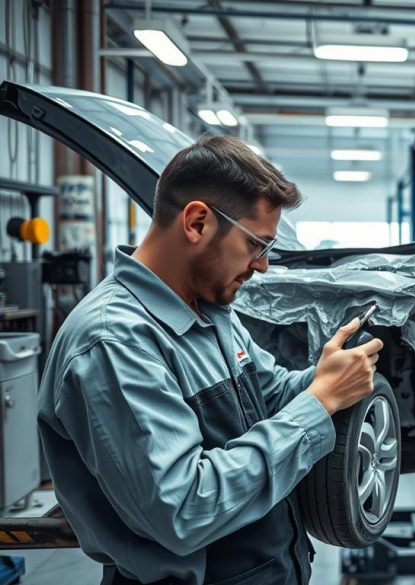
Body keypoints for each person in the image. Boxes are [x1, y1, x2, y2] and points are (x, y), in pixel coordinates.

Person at [37, 135, 384, 585]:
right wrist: (317, 407)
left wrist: (326, 378)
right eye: (257, 245)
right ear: (198, 222)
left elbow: (269, 394)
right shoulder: (115, 342)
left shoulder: (209, 311)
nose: (263, 266)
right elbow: (183, 509)